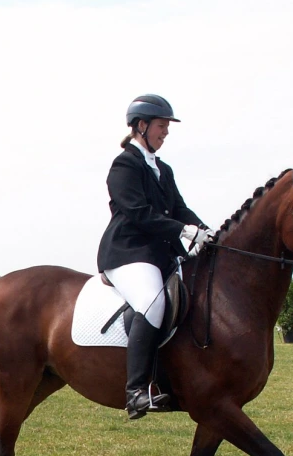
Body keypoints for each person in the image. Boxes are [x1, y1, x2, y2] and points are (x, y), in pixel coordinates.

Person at [97, 94, 213, 420]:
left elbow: (179, 208)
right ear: (142, 126)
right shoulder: (124, 165)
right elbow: (137, 213)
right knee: (152, 302)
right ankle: (135, 391)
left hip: (159, 254)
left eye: (166, 127)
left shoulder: (163, 168)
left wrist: (204, 230)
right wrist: (182, 230)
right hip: (128, 252)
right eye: (162, 126)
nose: (165, 133)